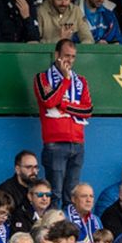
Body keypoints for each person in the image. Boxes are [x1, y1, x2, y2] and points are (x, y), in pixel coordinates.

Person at [33, 40, 91, 202]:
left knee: (72, 195)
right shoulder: (42, 78)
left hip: (78, 143)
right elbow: (49, 102)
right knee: (55, 193)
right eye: (66, 56)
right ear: (57, 55)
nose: (70, 60)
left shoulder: (81, 81)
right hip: (55, 144)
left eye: (73, 57)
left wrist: (64, 105)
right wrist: (65, 80)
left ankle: (69, 227)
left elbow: (87, 110)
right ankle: (53, 226)